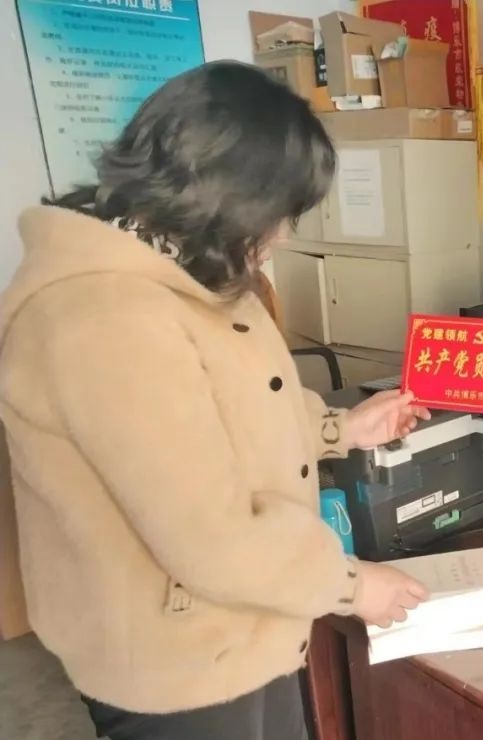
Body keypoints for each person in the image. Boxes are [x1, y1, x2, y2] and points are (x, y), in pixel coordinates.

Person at [0, 62, 431, 740]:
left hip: (249, 617)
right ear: (224, 196)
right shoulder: (102, 317)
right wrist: (352, 586)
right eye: (278, 213)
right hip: (173, 656)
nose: (281, 236)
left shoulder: (189, 265)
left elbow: (234, 408)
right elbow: (210, 534)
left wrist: (336, 428)